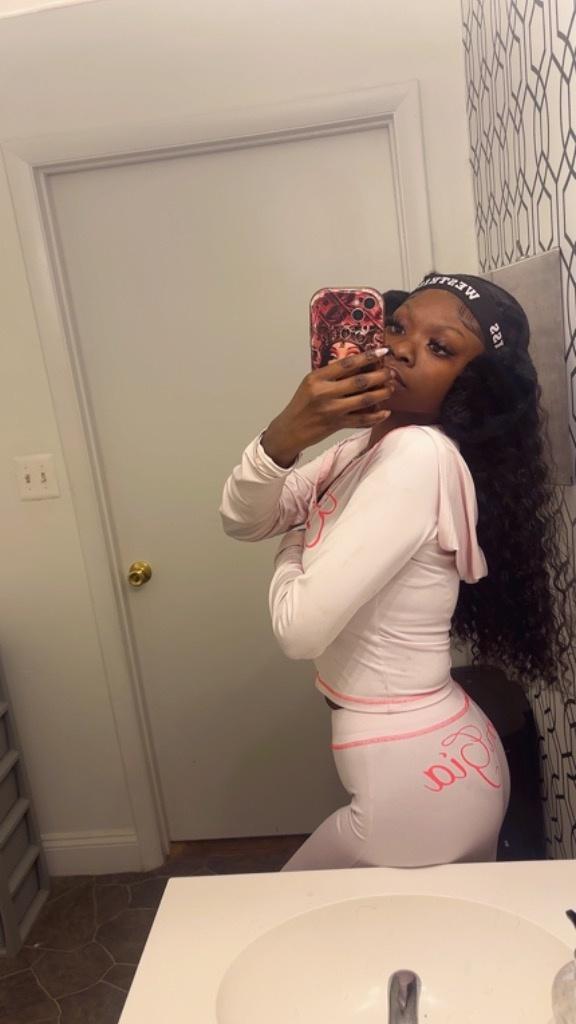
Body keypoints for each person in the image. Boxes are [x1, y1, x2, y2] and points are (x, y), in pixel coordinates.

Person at [219, 272, 573, 870]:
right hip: (428, 762)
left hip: (421, 779)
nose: (402, 349)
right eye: (398, 326)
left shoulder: (418, 455)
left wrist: (294, 537)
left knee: (286, 912)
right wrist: (285, 435)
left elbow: (298, 629)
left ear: (472, 387)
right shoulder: (364, 446)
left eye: (440, 347)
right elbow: (245, 519)